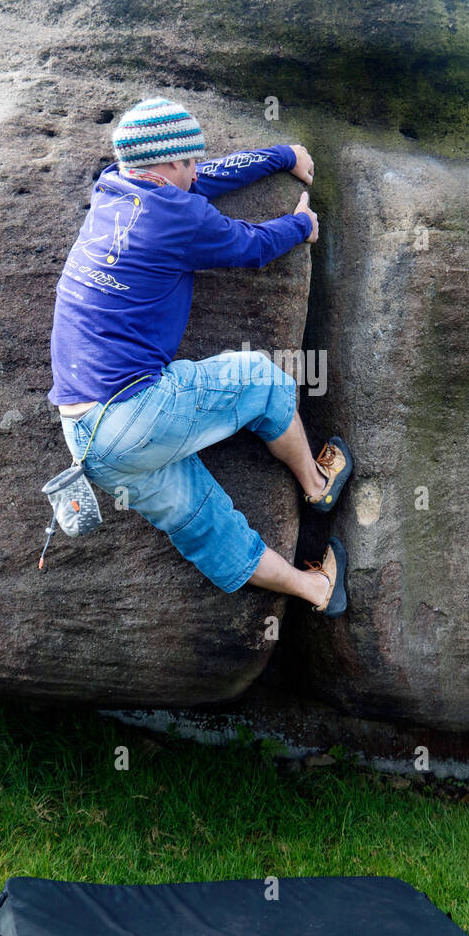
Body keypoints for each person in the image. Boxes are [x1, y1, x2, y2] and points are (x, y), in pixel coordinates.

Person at [47, 96, 353, 615]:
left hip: (83, 439)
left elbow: (201, 180)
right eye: (187, 161)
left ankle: (317, 591)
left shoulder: (113, 187)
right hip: (134, 411)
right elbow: (252, 246)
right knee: (257, 378)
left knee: (204, 524)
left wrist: (281, 155)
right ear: (164, 168)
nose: (195, 169)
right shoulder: (175, 216)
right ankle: (317, 485)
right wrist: (302, 226)